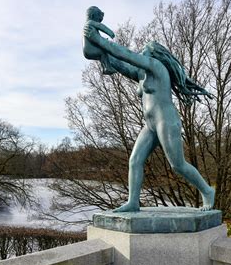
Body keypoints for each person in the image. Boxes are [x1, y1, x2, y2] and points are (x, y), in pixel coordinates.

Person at [84, 22, 215, 212]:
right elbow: (120, 63)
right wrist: (99, 50)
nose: (141, 52)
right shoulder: (142, 74)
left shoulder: (157, 66)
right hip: (151, 124)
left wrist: (99, 39)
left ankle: (207, 191)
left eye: (145, 50)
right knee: (135, 160)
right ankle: (133, 202)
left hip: (166, 120)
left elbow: (125, 55)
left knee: (177, 165)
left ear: (154, 54)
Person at [82, 6, 117, 75]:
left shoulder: (87, 26)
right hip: (89, 50)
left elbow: (96, 37)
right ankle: (107, 68)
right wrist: (110, 33)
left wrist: (102, 40)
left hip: (87, 51)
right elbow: (101, 26)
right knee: (103, 52)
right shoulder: (90, 23)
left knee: (102, 55)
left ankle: (105, 68)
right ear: (93, 15)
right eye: (98, 16)